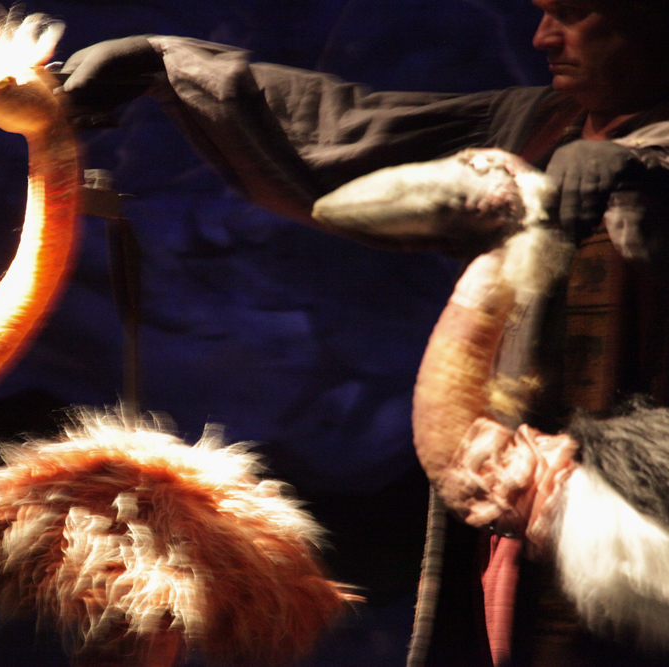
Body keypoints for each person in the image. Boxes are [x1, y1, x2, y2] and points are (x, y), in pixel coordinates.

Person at [59, 1, 669, 665]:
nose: (543, 36)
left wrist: (639, 181)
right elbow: (348, 128)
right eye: (543, 11)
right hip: (517, 518)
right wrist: (165, 65)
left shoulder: (606, 150)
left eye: (573, 13)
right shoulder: (541, 125)